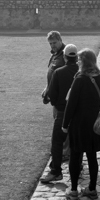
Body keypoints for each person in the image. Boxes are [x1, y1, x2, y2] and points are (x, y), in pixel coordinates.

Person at [61, 48, 100, 200]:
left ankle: (74, 190)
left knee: (75, 156)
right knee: (92, 156)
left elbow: (71, 105)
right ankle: (92, 189)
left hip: (79, 125)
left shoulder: (79, 80)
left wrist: (65, 124)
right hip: (94, 124)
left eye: (79, 60)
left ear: (84, 62)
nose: (77, 62)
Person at [40, 44, 78, 183]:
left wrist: (56, 103)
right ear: (76, 57)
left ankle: (56, 171)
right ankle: (77, 166)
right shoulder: (81, 72)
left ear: (65, 57)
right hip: (77, 113)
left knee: (57, 142)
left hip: (62, 111)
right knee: (75, 143)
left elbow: (52, 95)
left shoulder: (59, 72)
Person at [40, 31, 66, 183]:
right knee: (62, 132)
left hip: (62, 102)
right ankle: (66, 155)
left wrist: (52, 92)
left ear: (60, 40)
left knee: (59, 135)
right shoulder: (55, 55)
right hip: (56, 100)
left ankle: (57, 168)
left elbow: (64, 79)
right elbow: (51, 74)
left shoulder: (65, 56)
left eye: (54, 43)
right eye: (50, 43)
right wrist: (47, 87)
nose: (52, 46)